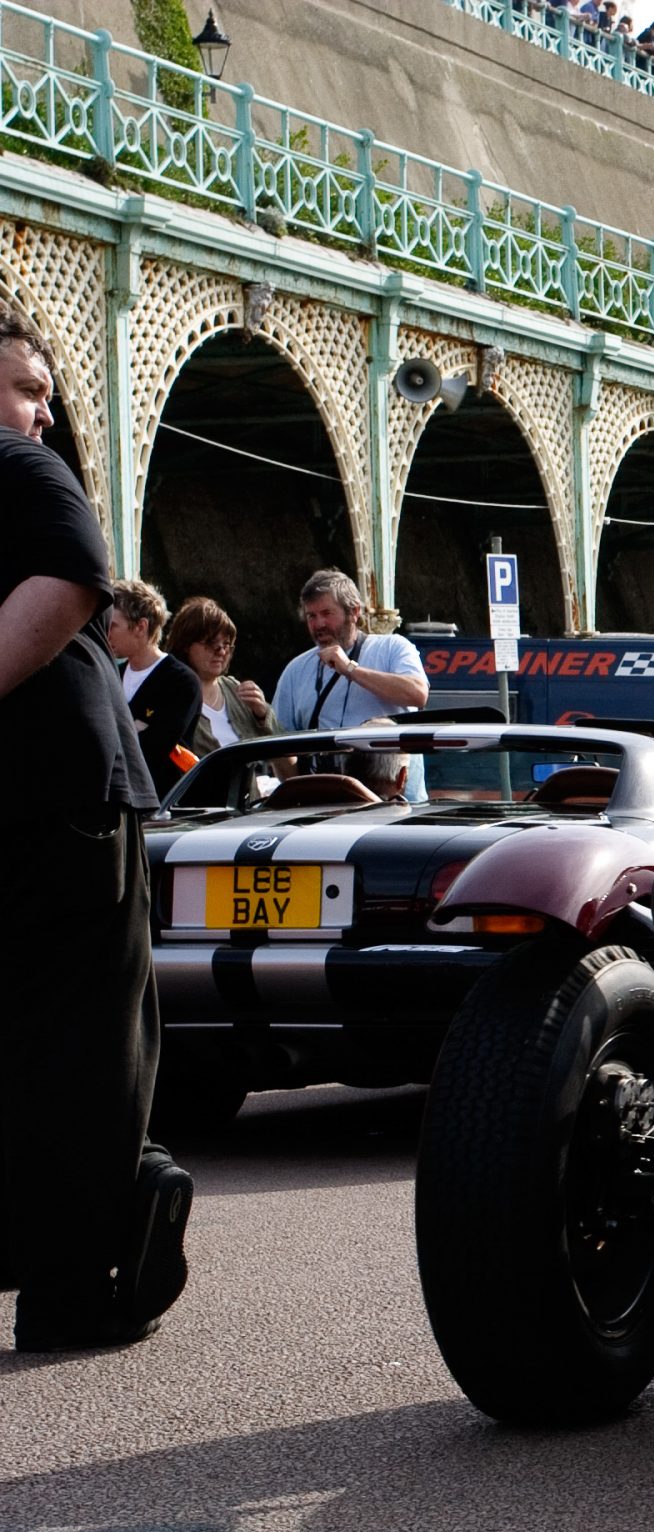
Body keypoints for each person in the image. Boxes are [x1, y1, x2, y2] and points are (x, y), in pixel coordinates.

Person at [0, 309, 189, 1352]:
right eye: (28, 388)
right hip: (63, 793)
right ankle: (69, 1290)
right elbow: (80, 574)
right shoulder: (22, 468)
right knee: (88, 1037)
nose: (44, 413)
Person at [271, 569, 430, 802]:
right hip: (325, 806)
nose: (319, 624)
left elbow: (417, 694)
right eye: (311, 616)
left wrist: (350, 669)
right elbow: (280, 745)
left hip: (396, 804)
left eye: (327, 613)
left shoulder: (392, 648)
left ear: (354, 611)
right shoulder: (296, 671)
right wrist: (262, 720)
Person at [104, 579, 201, 801]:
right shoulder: (111, 675)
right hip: (117, 799)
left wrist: (119, 732)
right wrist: (135, 727)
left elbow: (155, 747)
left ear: (141, 627)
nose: (106, 632)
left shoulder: (181, 682)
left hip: (162, 804)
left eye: (113, 625)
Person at [164, 595, 276, 758]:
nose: (222, 652)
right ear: (185, 645)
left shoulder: (237, 690)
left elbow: (286, 756)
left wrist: (263, 715)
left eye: (227, 644)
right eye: (211, 643)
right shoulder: (169, 694)